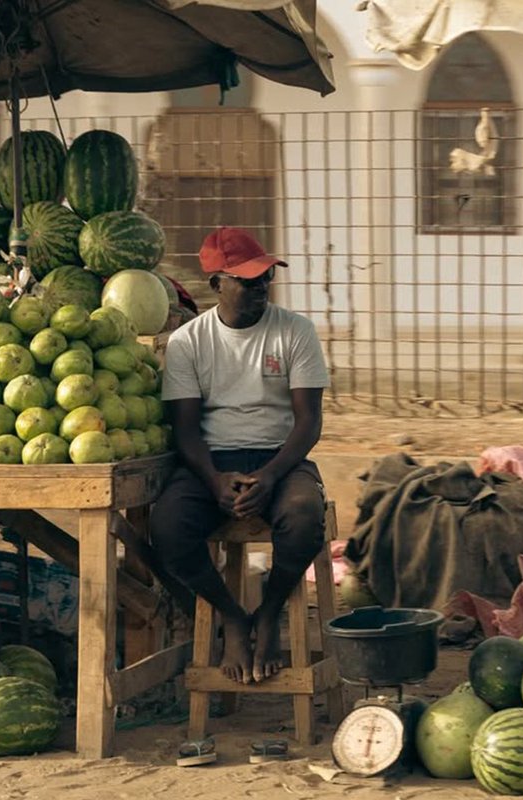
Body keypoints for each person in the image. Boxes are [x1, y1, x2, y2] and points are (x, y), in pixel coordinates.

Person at [151, 226, 329, 685]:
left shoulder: (295, 331)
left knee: (305, 515)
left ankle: (268, 612)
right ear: (216, 285)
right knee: (167, 528)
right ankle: (231, 615)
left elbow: (308, 422)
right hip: (212, 460)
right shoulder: (189, 342)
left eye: (265, 278)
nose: (260, 289)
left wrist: (270, 475)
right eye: (247, 281)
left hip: (281, 457)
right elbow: (185, 430)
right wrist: (214, 480)